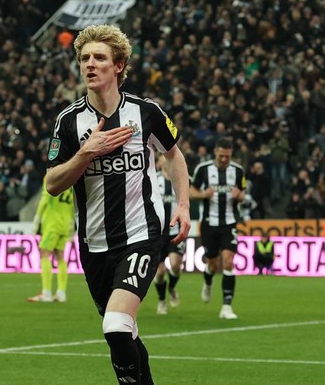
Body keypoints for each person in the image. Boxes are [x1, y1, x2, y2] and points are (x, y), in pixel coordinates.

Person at [45, 24, 191, 385]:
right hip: (94, 245)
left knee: (115, 325)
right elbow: (52, 183)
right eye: (84, 58)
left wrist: (183, 205)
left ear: (119, 65)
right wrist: (86, 153)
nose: (89, 65)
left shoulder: (146, 112)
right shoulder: (69, 122)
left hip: (141, 234)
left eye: (99, 58)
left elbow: (174, 156)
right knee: (126, 330)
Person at [190, 137, 246, 319]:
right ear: (215, 152)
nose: (224, 160)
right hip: (208, 223)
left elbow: (243, 194)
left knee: (228, 262)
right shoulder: (203, 169)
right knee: (212, 264)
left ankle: (226, 307)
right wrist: (203, 194)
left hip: (229, 222)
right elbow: (191, 191)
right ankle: (207, 282)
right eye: (221, 156)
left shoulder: (238, 171)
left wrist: (240, 197)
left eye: (227, 157)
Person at [27, 181, 75, 303]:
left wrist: (36, 220)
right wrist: (71, 226)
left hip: (52, 224)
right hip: (65, 224)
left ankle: (46, 293)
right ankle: (61, 293)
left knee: (44, 254)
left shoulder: (53, 175)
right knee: (60, 257)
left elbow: (45, 198)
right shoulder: (70, 181)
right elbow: (72, 205)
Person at [153, 154, 185, 315]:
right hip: (157, 234)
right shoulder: (154, 180)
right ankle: (161, 300)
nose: (166, 158)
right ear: (159, 162)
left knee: (175, 266)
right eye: (162, 157)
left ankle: (171, 287)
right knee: (159, 273)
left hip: (174, 231)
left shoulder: (178, 180)